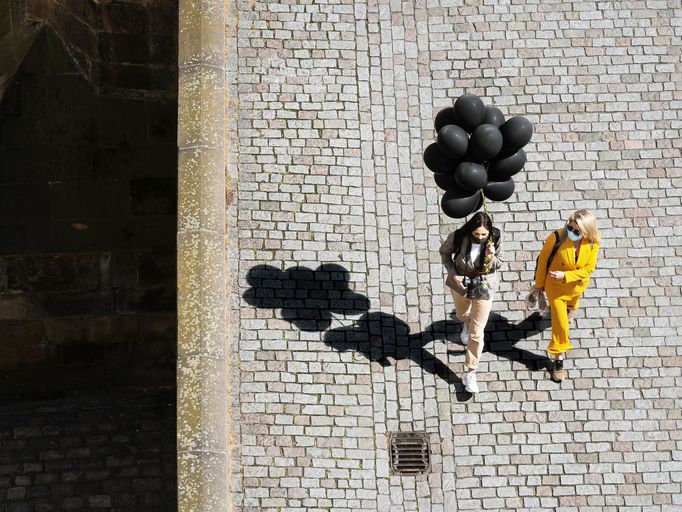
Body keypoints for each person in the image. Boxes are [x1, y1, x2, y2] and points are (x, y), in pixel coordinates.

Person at [439, 211, 503, 394]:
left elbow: (500, 263)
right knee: (462, 314)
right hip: (461, 284)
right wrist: (453, 274)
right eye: (477, 234)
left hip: (484, 286)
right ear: (470, 230)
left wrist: (492, 257)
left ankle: (471, 371)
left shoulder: (495, 237)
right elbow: (444, 253)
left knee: (477, 332)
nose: (481, 238)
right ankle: (465, 324)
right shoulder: (458, 236)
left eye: (483, 234)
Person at [534, 209, 600, 382]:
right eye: (571, 227)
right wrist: (539, 285)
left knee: (572, 305)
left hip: (576, 287)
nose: (572, 232)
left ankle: (570, 309)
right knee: (561, 325)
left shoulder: (593, 242)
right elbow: (542, 262)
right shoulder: (556, 237)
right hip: (555, 288)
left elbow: (588, 269)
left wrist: (567, 276)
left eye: (577, 231)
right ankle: (558, 357)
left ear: (587, 231)